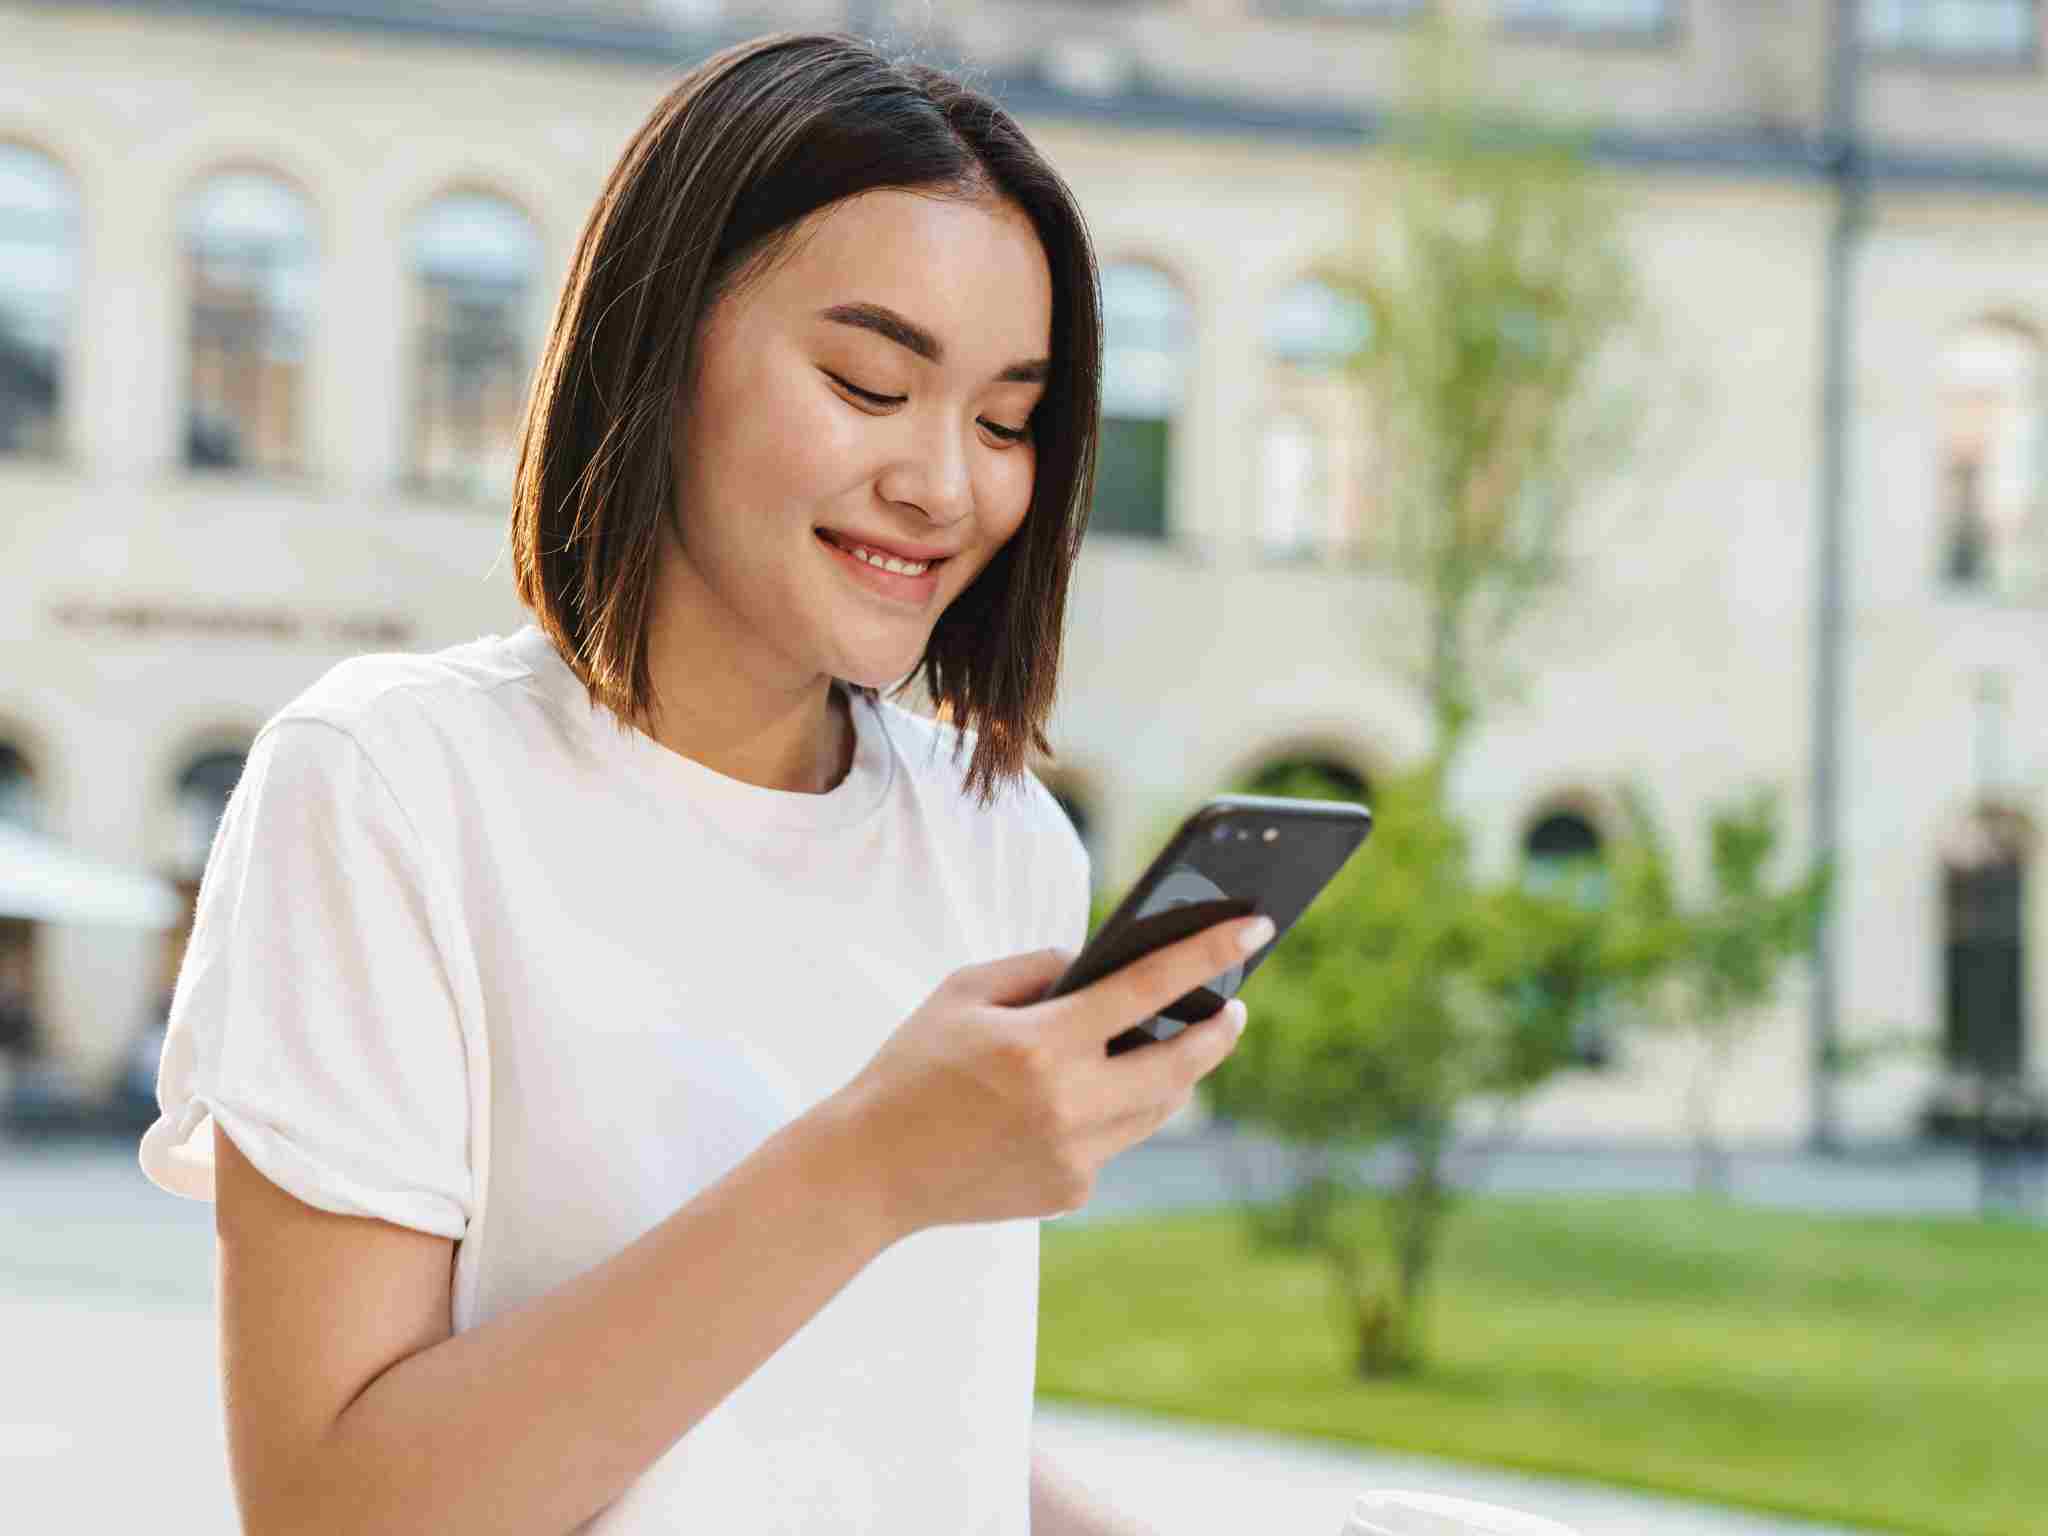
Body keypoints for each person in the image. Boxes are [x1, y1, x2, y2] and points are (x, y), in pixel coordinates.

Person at [137, 30, 1265, 1536]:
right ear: (659, 349)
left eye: (1008, 420)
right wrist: (868, 1167)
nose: (949, 482)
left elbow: (867, 1417)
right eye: (872, 384)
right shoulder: (391, 789)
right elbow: (336, 1511)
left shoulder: (1000, 846)